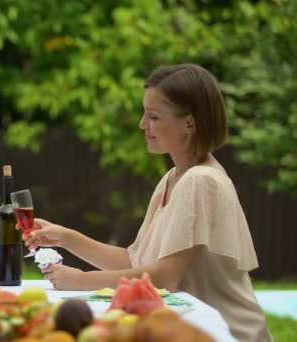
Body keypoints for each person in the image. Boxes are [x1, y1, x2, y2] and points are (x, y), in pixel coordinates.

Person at [24, 64, 271, 341]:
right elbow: (135, 259)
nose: (143, 124)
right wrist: (66, 238)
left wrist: (81, 281)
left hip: (227, 333)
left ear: (189, 123)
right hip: (187, 329)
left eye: (153, 116)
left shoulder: (200, 181)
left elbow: (165, 277)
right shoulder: (173, 178)